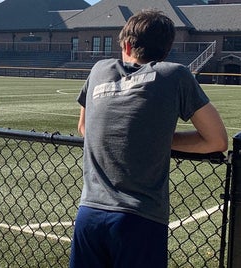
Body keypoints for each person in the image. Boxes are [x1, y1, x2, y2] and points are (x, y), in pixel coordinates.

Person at [70, 10, 228, 268]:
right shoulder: (175, 75)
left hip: (90, 213)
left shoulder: (99, 69)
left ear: (128, 45)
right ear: (166, 50)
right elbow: (217, 140)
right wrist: (156, 137)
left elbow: (84, 127)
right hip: (140, 218)